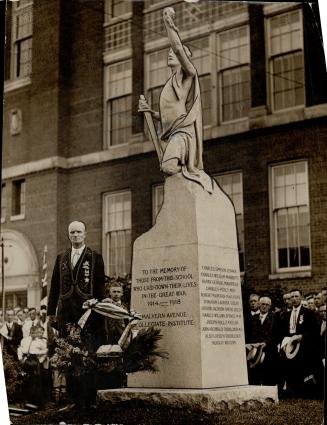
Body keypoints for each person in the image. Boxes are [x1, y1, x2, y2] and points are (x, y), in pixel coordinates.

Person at [138, 7, 212, 193]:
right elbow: (167, 113)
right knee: (167, 169)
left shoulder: (188, 75)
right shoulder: (169, 83)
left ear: (184, 58)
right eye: (169, 52)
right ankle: (186, 178)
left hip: (182, 133)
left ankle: (189, 176)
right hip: (170, 133)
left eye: (176, 53)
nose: (170, 53)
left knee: (169, 167)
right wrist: (151, 113)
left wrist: (168, 24)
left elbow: (178, 48)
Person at [48, 220, 106, 350]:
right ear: (68, 235)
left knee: (86, 347)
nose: (75, 235)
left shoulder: (95, 257)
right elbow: (55, 286)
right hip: (65, 311)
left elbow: (100, 285)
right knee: (66, 348)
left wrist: (100, 308)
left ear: (85, 234)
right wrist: (51, 311)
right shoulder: (61, 258)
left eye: (79, 231)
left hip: (86, 311)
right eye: (72, 232)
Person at [278, 289, 320, 398]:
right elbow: (282, 331)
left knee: (301, 368)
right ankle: (292, 391)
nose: (294, 299)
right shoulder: (286, 314)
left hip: (303, 345)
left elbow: (315, 331)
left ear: (301, 297)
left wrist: (302, 336)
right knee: (289, 367)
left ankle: (303, 392)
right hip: (289, 344)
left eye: (296, 296)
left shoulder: (308, 313)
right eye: (292, 297)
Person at [247, 297, 278, 385]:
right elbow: (249, 333)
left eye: (266, 305)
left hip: (269, 350)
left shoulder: (275, 318)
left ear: (270, 306)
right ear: (259, 305)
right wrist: (252, 344)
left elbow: (277, 335)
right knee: (254, 374)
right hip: (254, 350)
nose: (264, 306)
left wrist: (266, 343)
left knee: (268, 375)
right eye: (262, 304)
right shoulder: (253, 318)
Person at [18, 325, 48, 408]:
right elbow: (20, 349)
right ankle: (25, 401)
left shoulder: (41, 342)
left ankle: (35, 402)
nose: (34, 335)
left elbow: (46, 351)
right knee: (26, 380)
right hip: (27, 362)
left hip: (36, 362)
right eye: (33, 333)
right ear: (30, 333)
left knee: (36, 382)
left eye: (36, 333)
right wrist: (21, 359)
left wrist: (40, 360)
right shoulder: (25, 340)